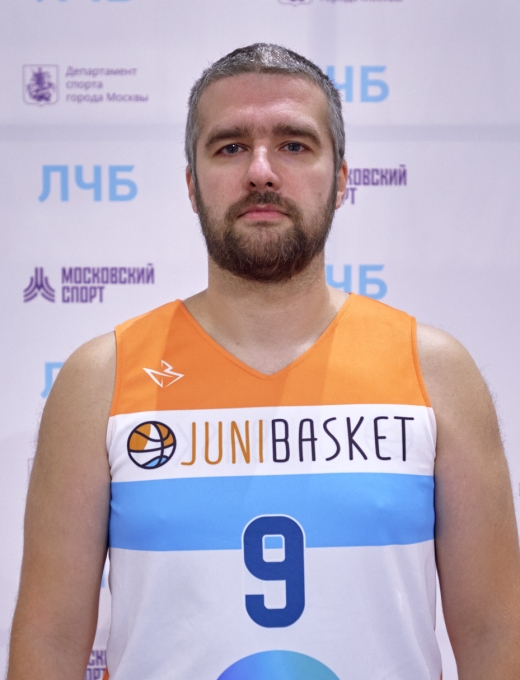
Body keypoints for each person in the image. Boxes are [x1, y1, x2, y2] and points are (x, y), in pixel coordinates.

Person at [7, 44, 520, 680]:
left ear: (343, 179)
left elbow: (497, 638)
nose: (261, 172)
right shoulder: (100, 381)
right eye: (230, 147)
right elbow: (50, 643)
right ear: (191, 185)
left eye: (294, 145)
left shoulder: (436, 373)